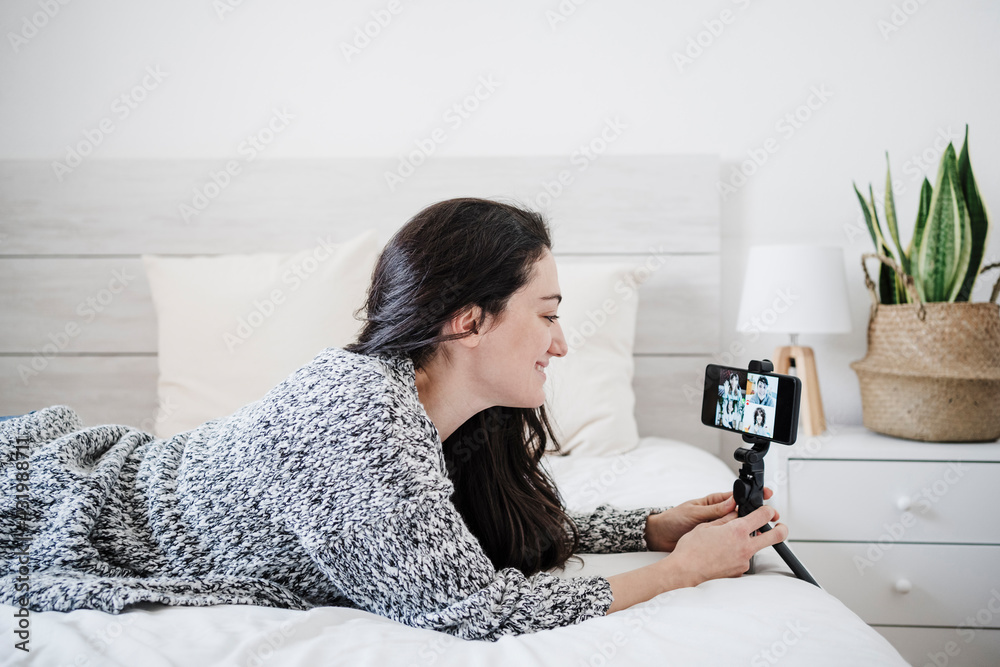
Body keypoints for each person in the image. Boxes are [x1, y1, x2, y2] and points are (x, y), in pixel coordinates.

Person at [0, 198, 786, 641]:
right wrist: (682, 569)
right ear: (468, 321)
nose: (561, 341)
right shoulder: (358, 408)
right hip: (50, 498)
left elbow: (455, 531)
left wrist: (648, 526)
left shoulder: (448, 416)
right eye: (546, 314)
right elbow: (468, 606)